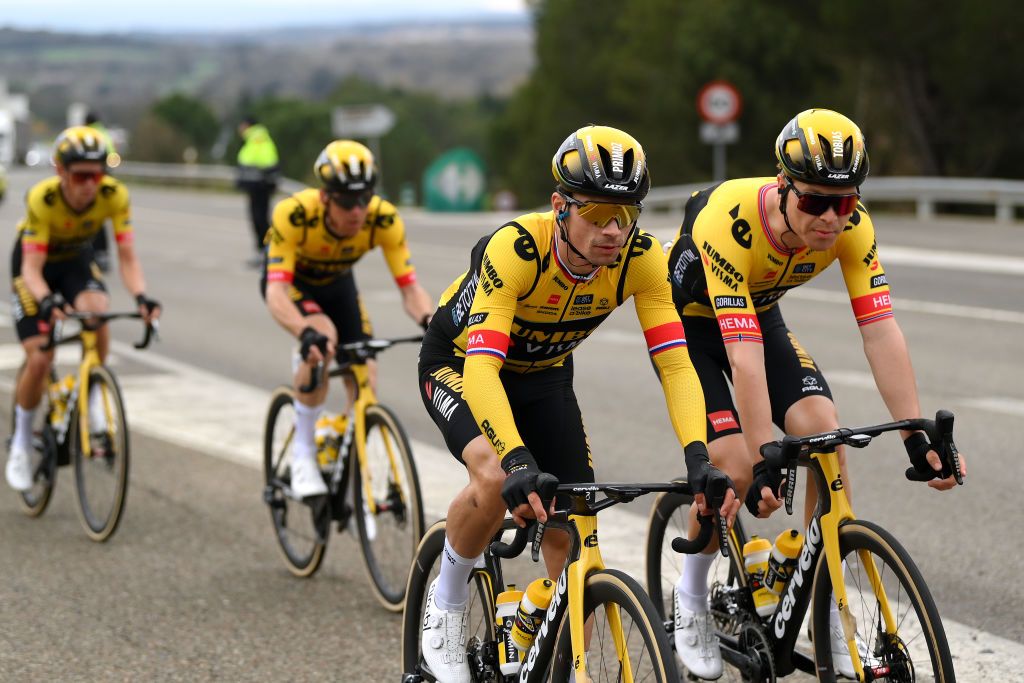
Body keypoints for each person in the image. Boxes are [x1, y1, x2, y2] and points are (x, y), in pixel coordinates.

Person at [415, 124, 739, 683]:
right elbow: (483, 369)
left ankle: (562, 662)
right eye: (597, 213)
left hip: (544, 377)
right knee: (494, 478)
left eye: (626, 214)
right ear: (560, 206)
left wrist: (697, 456)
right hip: (461, 364)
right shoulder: (515, 249)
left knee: (576, 523)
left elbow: (675, 364)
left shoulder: (642, 259)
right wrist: (517, 461)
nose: (614, 230)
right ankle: (445, 601)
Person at [664, 108, 967, 679]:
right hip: (692, 330)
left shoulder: (854, 228)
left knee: (825, 431)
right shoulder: (730, 221)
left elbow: (879, 329)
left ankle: (819, 591)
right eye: (814, 202)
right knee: (733, 469)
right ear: (783, 188)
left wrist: (914, 433)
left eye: (845, 202)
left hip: (759, 315)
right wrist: (762, 456)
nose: (831, 218)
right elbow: (743, 358)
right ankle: (692, 593)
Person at [261, 139, 434, 499]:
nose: (357, 210)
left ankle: (339, 441)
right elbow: (275, 292)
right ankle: (303, 455)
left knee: (365, 372)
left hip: (339, 285)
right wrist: (304, 330)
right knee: (321, 339)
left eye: (364, 198)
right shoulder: (293, 214)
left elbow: (410, 289)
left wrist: (432, 323)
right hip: (294, 284)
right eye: (345, 200)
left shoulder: (383, 218)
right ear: (325, 197)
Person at [5, 126, 161, 491]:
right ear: (60, 171)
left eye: (98, 174)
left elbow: (127, 257)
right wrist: (47, 300)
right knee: (40, 359)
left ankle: (92, 391)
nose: (90, 184)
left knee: (98, 310)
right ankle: (22, 442)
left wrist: (141, 297)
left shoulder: (114, 196)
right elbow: (30, 269)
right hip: (36, 267)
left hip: (75, 260)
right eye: (81, 176)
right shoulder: (43, 198)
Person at [237, 115, 280, 268]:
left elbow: (261, 160)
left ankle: (267, 253)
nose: (239, 129)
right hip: (260, 185)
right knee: (259, 219)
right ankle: (264, 252)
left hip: (259, 186)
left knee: (259, 219)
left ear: (247, 125)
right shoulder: (258, 137)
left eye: (241, 125)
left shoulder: (256, 137)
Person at [84, 111, 119, 273]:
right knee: (101, 219)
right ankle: (103, 254)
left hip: (88, 179)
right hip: (104, 178)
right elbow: (113, 157)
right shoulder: (105, 133)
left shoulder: (87, 134)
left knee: (88, 217)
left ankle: (91, 255)